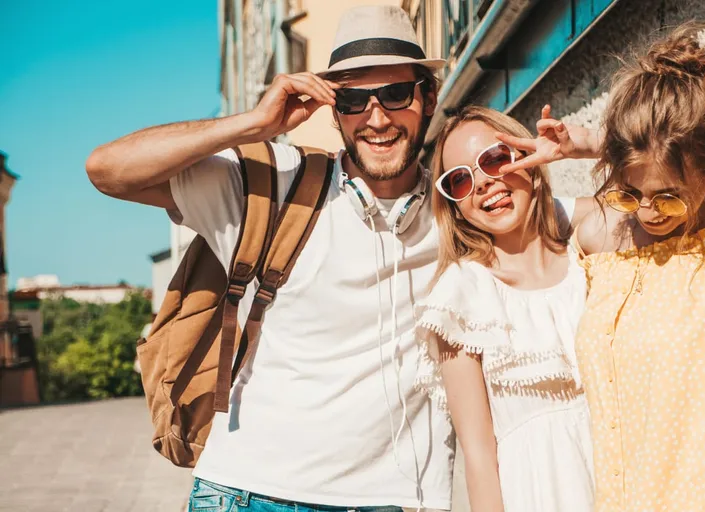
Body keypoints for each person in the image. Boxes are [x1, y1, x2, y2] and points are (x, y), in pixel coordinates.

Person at [87, 6, 453, 512]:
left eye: (395, 93)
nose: (377, 117)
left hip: (398, 499)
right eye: (351, 99)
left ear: (428, 96)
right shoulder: (275, 183)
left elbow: (588, 222)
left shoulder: (466, 207)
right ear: (332, 108)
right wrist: (253, 124)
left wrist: (589, 146)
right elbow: (107, 169)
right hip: (249, 492)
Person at [518, 23, 705, 512]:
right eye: (630, 194)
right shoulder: (611, 249)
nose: (647, 212)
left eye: (669, 196)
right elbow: (515, 223)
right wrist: (597, 141)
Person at [415, 106, 595, 512]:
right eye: (459, 180)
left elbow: (655, 198)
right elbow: (479, 458)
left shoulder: (589, 254)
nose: (482, 183)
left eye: (494, 159)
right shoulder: (462, 297)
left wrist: (588, 146)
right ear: (454, 205)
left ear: (528, 156)